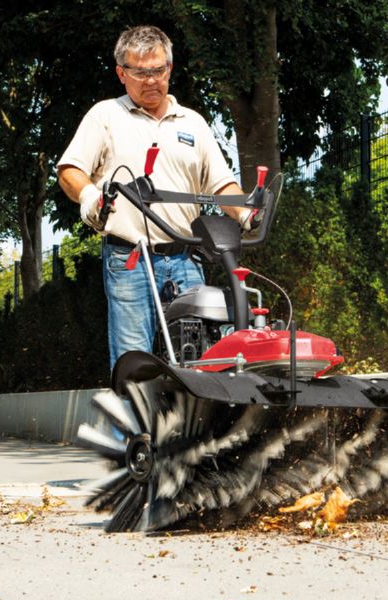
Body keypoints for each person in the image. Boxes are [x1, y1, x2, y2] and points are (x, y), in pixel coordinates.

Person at [57, 25, 250, 372]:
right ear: (121, 73)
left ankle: (196, 409)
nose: (151, 81)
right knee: (134, 360)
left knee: (200, 358)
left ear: (170, 69)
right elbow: (70, 169)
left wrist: (247, 212)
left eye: (158, 71)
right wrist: (89, 197)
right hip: (130, 258)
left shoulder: (193, 123)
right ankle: (133, 411)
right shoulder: (105, 116)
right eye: (140, 72)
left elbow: (222, 186)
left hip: (186, 258)